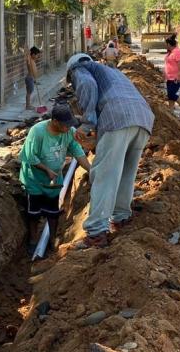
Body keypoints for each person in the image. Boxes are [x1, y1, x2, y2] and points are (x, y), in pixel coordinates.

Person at [66, 53, 154, 249]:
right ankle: (121, 217)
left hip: (118, 118)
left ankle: (97, 232)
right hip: (143, 118)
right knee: (126, 173)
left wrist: (87, 125)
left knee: (105, 175)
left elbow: (87, 86)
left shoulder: (79, 69)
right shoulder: (112, 72)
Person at [19, 105, 91, 252]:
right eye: (65, 125)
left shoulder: (68, 132)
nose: (68, 128)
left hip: (54, 181)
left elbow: (77, 152)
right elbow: (29, 156)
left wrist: (91, 170)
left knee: (53, 212)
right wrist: (47, 170)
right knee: (34, 212)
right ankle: (33, 239)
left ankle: (52, 240)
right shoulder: (37, 132)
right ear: (55, 121)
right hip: (34, 180)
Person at [164, 34, 180, 117]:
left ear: (169, 44)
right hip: (170, 78)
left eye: (166, 44)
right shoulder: (170, 52)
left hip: (176, 78)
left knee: (171, 94)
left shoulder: (178, 52)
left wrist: (178, 76)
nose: (165, 46)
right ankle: (171, 113)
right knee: (170, 96)